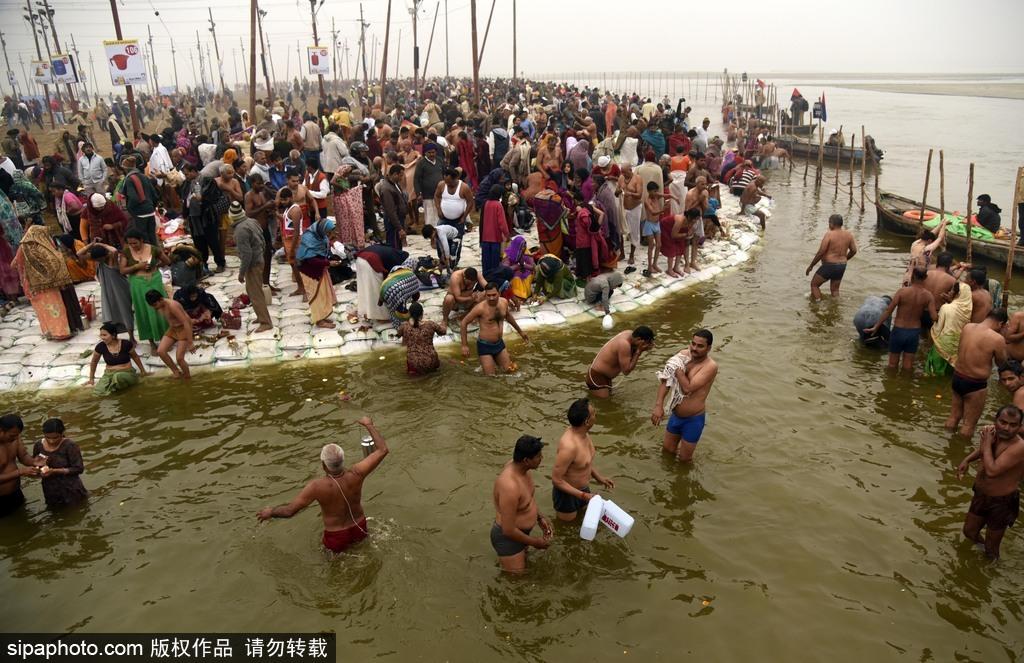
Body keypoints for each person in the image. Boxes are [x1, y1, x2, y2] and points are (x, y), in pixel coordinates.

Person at [258, 416, 390, 554]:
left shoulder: (316, 487)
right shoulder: (357, 474)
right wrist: (368, 424)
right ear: (342, 460)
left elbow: (289, 511)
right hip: (360, 527)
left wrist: (270, 512)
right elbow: (383, 450)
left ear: (324, 465)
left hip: (336, 537)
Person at [956, 405, 1024, 559]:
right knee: (969, 531)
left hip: (1002, 502)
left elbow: (992, 471)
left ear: (1020, 427)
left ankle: (990, 570)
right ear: (996, 420)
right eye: (1003, 422)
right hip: (981, 494)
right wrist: (967, 460)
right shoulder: (993, 433)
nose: (1007, 428)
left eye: (1013, 425)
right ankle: (980, 557)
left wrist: (986, 442)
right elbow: (984, 450)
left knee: (992, 548)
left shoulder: (1019, 447)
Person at [651, 329, 720, 462]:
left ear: (709, 348)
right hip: (676, 416)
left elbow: (688, 388)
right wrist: (659, 406)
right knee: (667, 452)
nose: (694, 348)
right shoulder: (683, 355)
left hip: (693, 420)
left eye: (700, 346)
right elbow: (666, 380)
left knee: (684, 460)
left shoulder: (710, 366)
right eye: (693, 344)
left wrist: (677, 370)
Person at [11, 225, 84, 341]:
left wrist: (27, 271)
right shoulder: (45, 245)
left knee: (43, 310)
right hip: (52, 285)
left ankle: (50, 332)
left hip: (33, 286)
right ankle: (62, 332)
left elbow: (14, 264)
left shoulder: (23, 247)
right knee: (56, 307)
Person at [491, 434, 552, 573]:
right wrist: (535, 542)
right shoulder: (509, 486)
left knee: (525, 565)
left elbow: (527, 500)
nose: (541, 458)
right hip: (509, 538)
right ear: (526, 460)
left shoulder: (521, 468)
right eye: (538, 456)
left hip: (521, 532)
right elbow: (508, 530)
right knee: (516, 581)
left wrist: (539, 517)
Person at [946, 308, 1009, 439]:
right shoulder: (997, 338)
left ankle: (946, 442)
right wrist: (1004, 336)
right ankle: (958, 452)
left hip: (957, 377)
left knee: (953, 416)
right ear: (1001, 324)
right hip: (975, 383)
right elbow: (1002, 364)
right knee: (969, 425)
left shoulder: (968, 327)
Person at [551, 398, 614, 521]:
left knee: (583, 522)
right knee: (567, 530)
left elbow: (584, 463)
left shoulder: (584, 433)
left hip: (583, 490)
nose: (596, 416)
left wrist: (599, 478)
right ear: (586, 421)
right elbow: (556, 480)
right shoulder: (569, 446)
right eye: (594, 414)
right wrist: (584, 496)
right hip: (567, 495)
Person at [865, 267, 937, 371]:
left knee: (892, 365)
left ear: (912, 276)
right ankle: (904, 386)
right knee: (908, 367)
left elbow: (888, 311)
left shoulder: (902, 292)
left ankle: (892, 386)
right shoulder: (928, 296)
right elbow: (934, 317)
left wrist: (876, 326)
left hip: (899, 330)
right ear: (925, 278)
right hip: (914, 332)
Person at [460, 281, 530, 376]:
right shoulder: (480, 308)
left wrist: (521, 332)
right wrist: (464, 345)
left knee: (510, 371)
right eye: (488, 295)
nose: (491, 298)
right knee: (491, 377)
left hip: (499, 344)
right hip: (485, 346)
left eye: (494, 295)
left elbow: (508, 317)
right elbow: (464, 322)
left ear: (499, 293)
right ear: (485, 295)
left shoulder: (504, 302)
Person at [120, 229, 169, 350]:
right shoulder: (126, 252)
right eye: (130, 243)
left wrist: (156, 265)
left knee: (161, 307)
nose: (132, 246)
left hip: (155, 281)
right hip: (138, 283)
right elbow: (122, 270)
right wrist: (137, 266)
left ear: (141, 240)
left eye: (135, 243)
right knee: (143, 310)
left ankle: (166, 338)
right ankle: (151, 342)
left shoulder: (153, 249)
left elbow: (167, 261)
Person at [231, 201, 273, 333]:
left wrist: (241, 273)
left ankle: (266, 322)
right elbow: (263, 240)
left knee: (256, 294)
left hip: (253, 264)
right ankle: (261, 317)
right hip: (259, 259)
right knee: (253, 291)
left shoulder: (240, 230)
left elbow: (246, 254)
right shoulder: (252, 221)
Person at [31, 418, 88, 509]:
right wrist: (37, 469)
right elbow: (34, 463)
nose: (51, 441)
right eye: (48, 437)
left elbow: (79, 468)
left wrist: (55, 471)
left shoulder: (70, 445)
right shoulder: (38, 445)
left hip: (70, 488)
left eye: (55, 437)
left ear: (62, 433)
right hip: (49, 489)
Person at [585, 326, 655, 398]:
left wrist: (641, 347)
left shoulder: (630, 334)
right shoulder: (624, 344)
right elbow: (626, 371)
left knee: (608, 401)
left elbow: (629, 354)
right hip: (596, 376)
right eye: (646, 343)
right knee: (605, 404)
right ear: (639, 339)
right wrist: (639, 351)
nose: (646, 345)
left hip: (605, 377)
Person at [296, 218, 338, 329]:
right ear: (322, 229)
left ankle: (323, 316)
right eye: (328, 232)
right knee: (316, 296)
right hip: (309, 271)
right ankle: (319, 320)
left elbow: (323, 248)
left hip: (319, 269)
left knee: (323, 293)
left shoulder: (320, 234)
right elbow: (310, 260)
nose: (328, 235)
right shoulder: (309, 238)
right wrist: (328, 262)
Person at [924, 283, 973, 377]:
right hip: (957, 344)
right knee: (950, 370)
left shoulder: (946, 307)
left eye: (951, 291)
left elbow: (938, 327)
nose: (949, 292)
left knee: (934, 371)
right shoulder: (967, 310)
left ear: (957, 294)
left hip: (943, 343)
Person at [805, 214, 857, 300]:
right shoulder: (849, 235)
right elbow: (854, 251)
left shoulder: (829, 234)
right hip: (842, 266)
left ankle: (818, 306)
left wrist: (811, 266)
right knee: (835, 290)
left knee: (814, 285)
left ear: (832, 224)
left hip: (829, 265)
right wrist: (845, 259)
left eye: (829, 223)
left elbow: (821, 252)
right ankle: (835, 309)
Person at [86, 322, 147, 395]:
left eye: (105, 335)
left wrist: (143, 371)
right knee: (97, 393)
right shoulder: (100, 347)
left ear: (113, 335)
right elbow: (94, 362)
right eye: (101, 335)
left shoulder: (126, 344)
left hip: (127, 373)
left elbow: (135, 357)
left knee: (117, 377)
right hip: (108, 374)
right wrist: (91, 379)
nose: (102, 337)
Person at [146, 288, 193, 379]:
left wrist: (190, 342)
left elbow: (186, 322)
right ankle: (176, 371)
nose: (154, 307)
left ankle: (187, 377)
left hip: (183, 328)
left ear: (161, 299)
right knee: (160, 351)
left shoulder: (172, 305)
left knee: (179, 358)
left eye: (155, 304)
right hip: (173, 328)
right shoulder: (158, 306)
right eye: (152, 305)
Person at [0, 414, 38, 517]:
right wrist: (20, 472)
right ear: (1, 430)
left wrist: (35, 462)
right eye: (12, 435)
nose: (16, 438)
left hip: (16, 493)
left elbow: (24, 456)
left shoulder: (15, 437)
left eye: (18, 435)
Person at [397, 302, 445, 375]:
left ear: (409, 314)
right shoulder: (430, 324)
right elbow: (443, 332)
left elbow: (398, 335)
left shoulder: (404, 326)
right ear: (422, 313)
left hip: (414, 364)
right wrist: (444, 323)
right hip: (432, 362)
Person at [479, 184, 510, 274]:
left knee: (485, 262)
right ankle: (493, 279)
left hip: (485, 237)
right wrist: (507, 235)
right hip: (495, 238)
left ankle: (485, 278)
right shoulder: (498, 205)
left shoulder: (486, 203)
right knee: (495, 263)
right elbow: (502, 223)